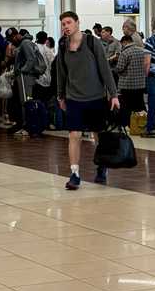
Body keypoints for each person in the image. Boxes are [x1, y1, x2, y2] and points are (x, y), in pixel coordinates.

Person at [52, 10, 120, 188]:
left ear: (77, 23)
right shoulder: (62, 46)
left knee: (97, 134)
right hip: (73, 97)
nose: (66, 26)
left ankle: (101, 166)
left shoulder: (92, 42)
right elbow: (61, 72)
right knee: (74, 134)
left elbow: (105, 68)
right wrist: (60, 95)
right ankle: (74, 173)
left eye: (68, 23)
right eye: (63, 24)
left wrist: (113, 94)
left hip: (95, 97)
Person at [115, 23, 148, 119]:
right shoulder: (141, 50)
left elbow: (119, 68)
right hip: (140, 83)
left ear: (124, 42)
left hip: (127, 84)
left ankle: (127, 122)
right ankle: (143, 122)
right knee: (140, 104)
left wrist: (114, 70)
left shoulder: (125, 52)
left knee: (126, 105)